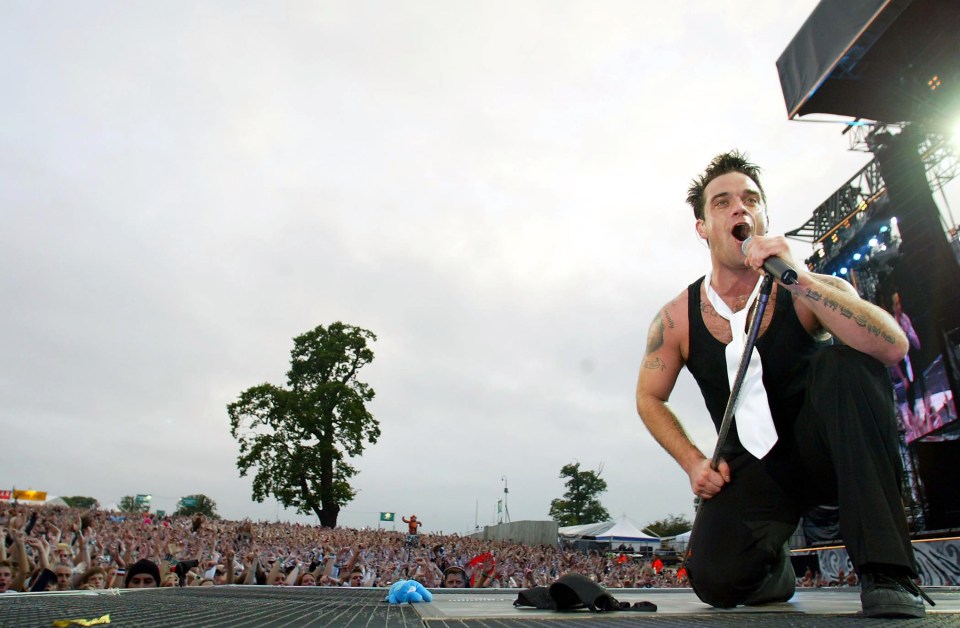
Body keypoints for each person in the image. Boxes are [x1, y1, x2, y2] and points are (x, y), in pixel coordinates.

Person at [635, 150, 932, 618]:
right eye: (723, 202)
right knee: (716, 581)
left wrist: (797, 278)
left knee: (845, 364)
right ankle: (773, 569)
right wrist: (693, 461)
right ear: (703, 226)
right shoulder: (676, 318)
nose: (740, 209)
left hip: (825, 446)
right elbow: (649, 396)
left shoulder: (806, 288)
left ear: (764, 216)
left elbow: (891, 346)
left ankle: (888, 572)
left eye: (751, 199)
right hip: (754, 466)